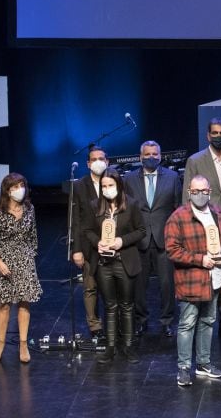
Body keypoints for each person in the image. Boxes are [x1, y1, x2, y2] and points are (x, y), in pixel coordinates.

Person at [166, 175, 221, 387]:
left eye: (204, 191)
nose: (200, 195)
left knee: (208, 321)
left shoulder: (217, 212)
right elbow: (172, 251)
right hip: (192, 280)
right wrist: (199, 260)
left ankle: (203, 364)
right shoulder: (178, 217)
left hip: (215, 277)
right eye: (195, 191)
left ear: (210, 191)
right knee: (187, 324)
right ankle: (184, 367)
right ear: (189, 192)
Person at [83, 168, 146, 364]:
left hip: (124, 260)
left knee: (127, 305)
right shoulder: (94, 206)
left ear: (119, 185)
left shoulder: (132, 205)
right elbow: (87, 231)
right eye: (103, 186)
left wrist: (122, 241)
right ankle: (110, 348)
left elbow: (141, 230)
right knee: (110, 306)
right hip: (103, 264)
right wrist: (97, 242)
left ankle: (128, 346)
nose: (107, 189)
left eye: (110, 185)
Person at [123, 140, 182, 338]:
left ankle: (166, 321)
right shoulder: (129, 179)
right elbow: (126, 211)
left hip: (164, 240)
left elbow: (178, 209)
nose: (151, 157)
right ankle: (141, 320)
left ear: (160, 155)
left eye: (155, 154)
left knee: (167, 285)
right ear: (140, 157)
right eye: (147, 154)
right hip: (139, 240)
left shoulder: (173, 177)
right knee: (139, 286)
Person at [0, 172, 42, 363]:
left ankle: (23, 344)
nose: (20, 190)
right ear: (7, 191)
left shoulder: (29, 209)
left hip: (25, 261)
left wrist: (30, 256)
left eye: (22, 185)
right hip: (5, 263)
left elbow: (33, 236)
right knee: (4, 304)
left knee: (24, 302)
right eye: (15, 187)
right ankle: (0, 343)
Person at [71, 145, 109, 340]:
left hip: (111, 244)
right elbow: (75, 220)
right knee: (90, 286)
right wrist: (76, 250)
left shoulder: (114, 182)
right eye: (93, 159)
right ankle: (94, 326)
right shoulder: (79, 186)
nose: (98, 162)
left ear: (107, 162)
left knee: (110, 288)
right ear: (88, 164)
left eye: (101, 158)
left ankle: (113, 323)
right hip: (88, 245)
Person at [184, 118, 221, 210]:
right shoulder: (194, 161)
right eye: (215, 133)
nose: (218, 136)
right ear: (208, 136)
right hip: (204, 215)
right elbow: (187, 195)